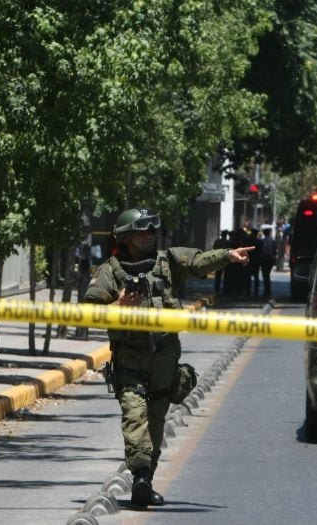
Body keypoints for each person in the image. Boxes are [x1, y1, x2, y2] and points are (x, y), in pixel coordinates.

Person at [84, 208, 254, 508]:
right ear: (125, 236)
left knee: (156, 420)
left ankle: (146, 479)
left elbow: (199, 260)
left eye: (151, 231)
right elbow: (88, 312)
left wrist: (228, 255)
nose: (148, 237)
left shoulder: (168, 261)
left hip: (164, 357)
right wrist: (119, 306)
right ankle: (140, 476)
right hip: (130, 356)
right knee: (134, 415)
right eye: (141, 232)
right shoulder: (110, 272)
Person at [260, 226, 278, 298]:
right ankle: (268, 291)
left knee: (265, 275)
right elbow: (275, 250)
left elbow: (262, 250)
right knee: (267, 275)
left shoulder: (262, 241)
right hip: (270, 259)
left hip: (265, 259)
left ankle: (267, 291)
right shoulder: (273, 241)